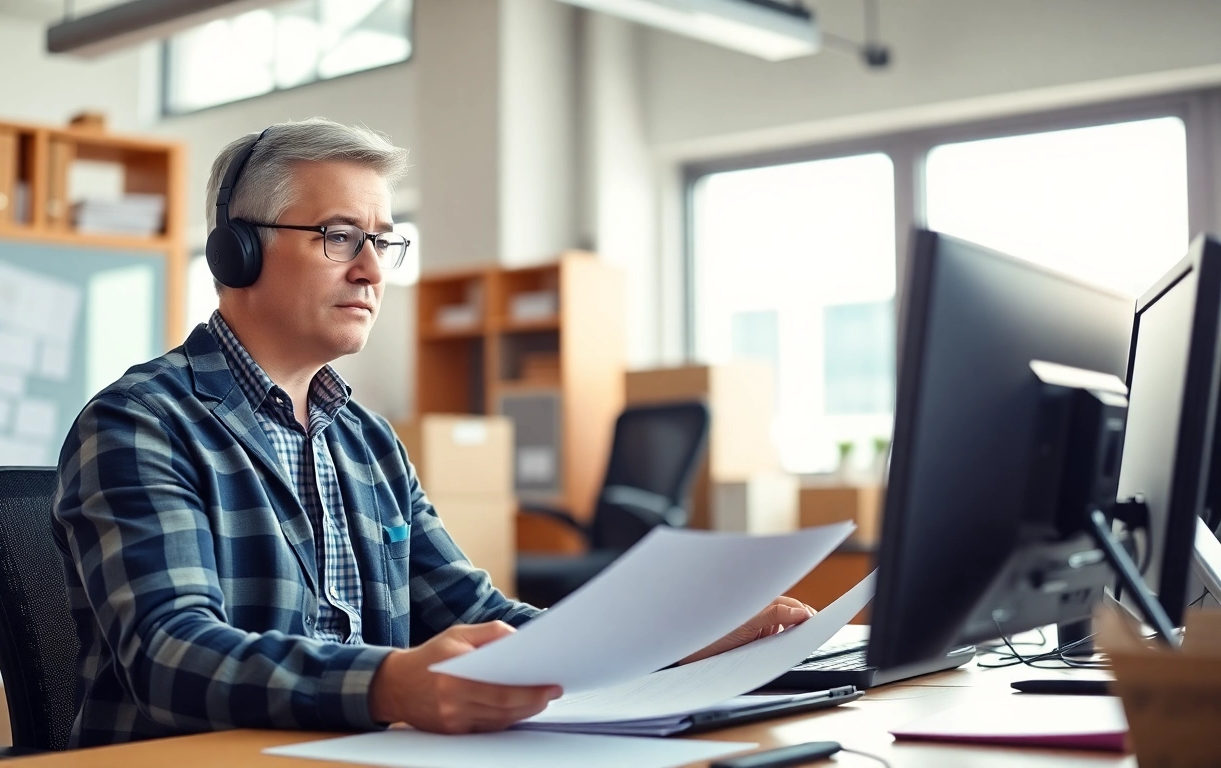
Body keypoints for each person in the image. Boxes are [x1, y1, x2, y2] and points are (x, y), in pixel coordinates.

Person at [52, 117, 815, 747]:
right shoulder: (140, 424)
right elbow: (170, 656)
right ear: (237, 252)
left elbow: (486, 620)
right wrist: (389, 685)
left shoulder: (368, 444)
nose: (373, 272)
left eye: (382, 241)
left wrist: (684, 637)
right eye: (339, 236)